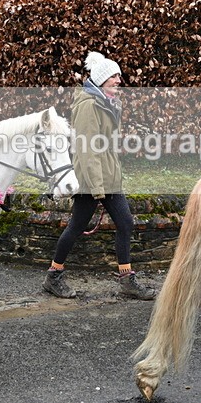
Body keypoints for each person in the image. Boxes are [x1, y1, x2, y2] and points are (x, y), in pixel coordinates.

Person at [42, 51, 155, 300]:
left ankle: (127, 279)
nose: (119, 80)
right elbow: (86, 149)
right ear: (101, 79)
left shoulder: (107, 103)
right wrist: (96, 187)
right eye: (114, 76)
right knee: (76, 227)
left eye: (119, 76)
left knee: (125, 223)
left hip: (108, 178)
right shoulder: (88, 105)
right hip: (91, 179)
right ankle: (54, 275)